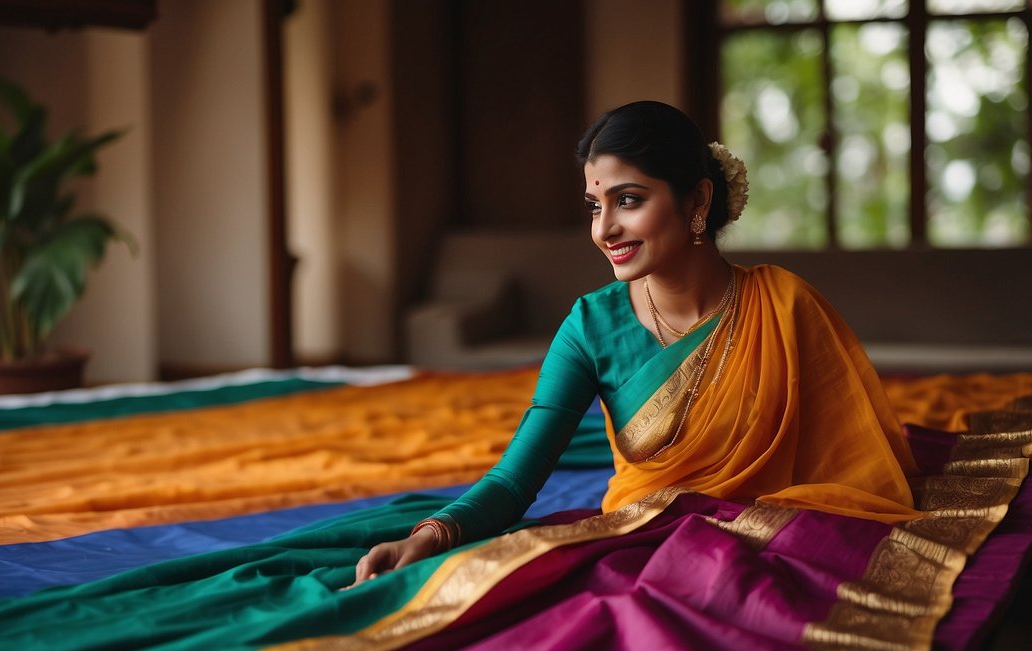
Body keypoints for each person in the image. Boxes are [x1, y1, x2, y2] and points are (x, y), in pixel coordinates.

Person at [352, 100, 918, 585]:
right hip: (640, 539)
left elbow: (847, 465)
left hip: (777, 537)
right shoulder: (589, 327)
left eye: (628, 200)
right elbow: (515, 476)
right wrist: (429, 536)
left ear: (697, 201)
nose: (604, 229)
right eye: (595, 206)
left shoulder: (786, 305)